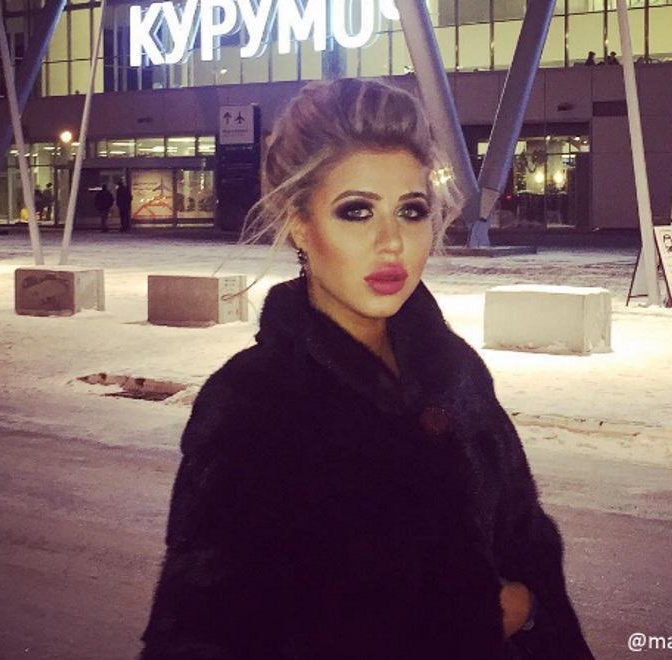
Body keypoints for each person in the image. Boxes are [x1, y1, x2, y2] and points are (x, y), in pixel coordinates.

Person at [140, 78, 595, 660]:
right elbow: (202, 636)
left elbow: (527, 546)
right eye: (356, 211)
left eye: (411, 211)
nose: (392, 243)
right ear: (298, 222)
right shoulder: (255, 404)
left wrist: (533, 612)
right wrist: (476, 619)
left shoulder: (454, 374)